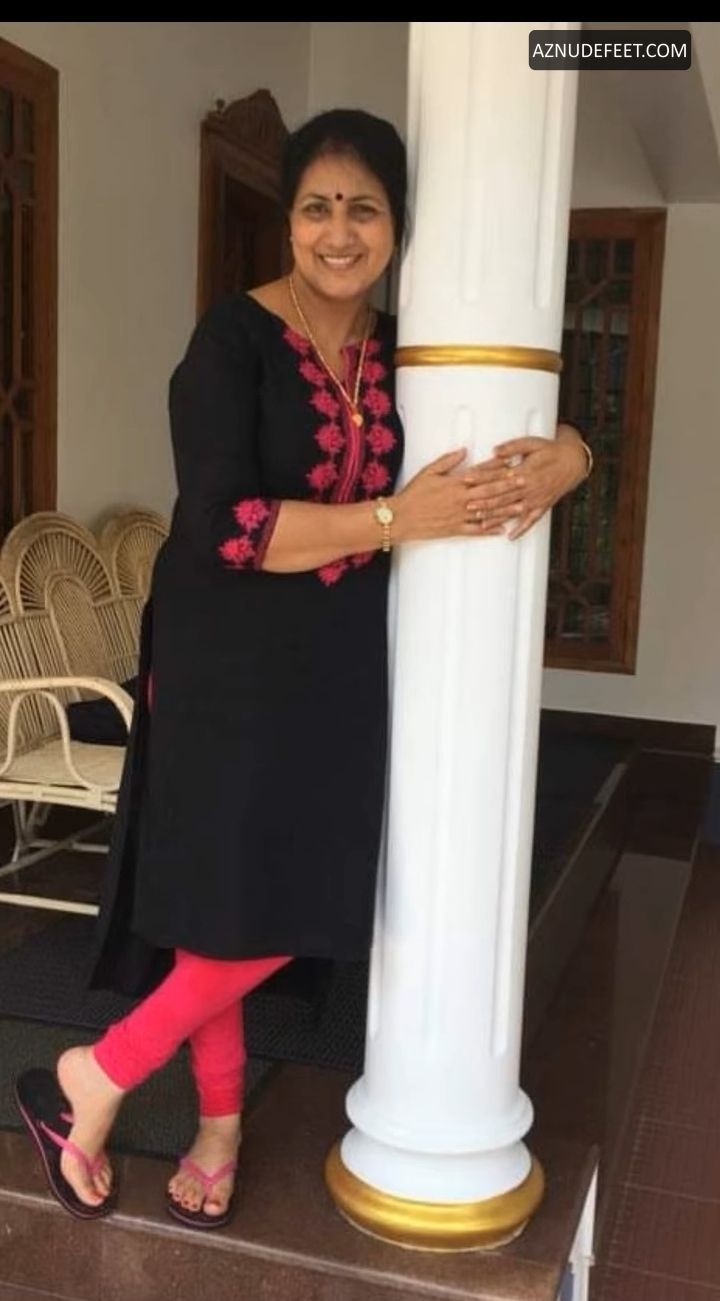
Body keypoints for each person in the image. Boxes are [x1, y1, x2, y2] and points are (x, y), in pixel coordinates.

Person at [15, 108, 591, 1227]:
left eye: (364, 209)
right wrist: (397, 517)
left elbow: (521, 413)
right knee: (232, 904)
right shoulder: (229, 342)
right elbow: (229, 527)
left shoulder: (407, 350)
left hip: (332, 666)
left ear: (397, 226)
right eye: (317, 207)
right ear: (287, 223)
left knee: (290, 891)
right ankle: (186, 1110)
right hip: (222, 660)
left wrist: (570, 452)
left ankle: (115, 1078)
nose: (339, 231)